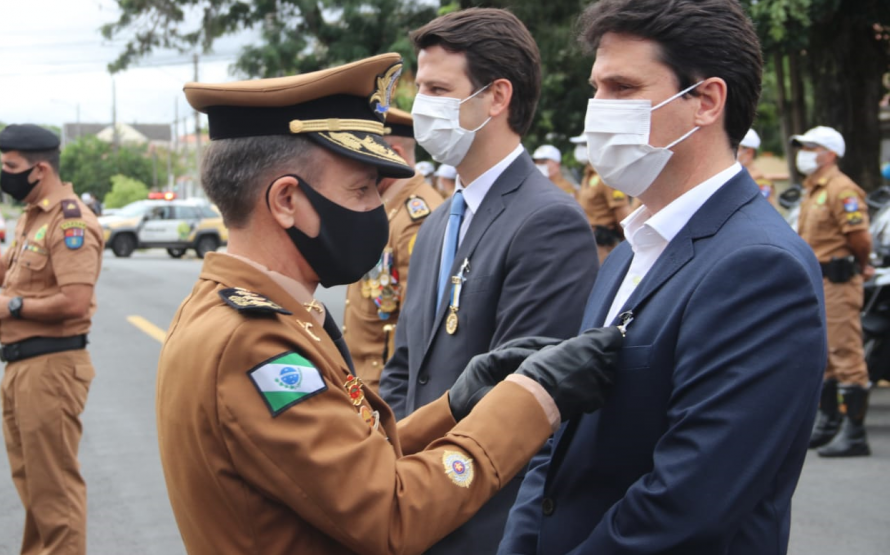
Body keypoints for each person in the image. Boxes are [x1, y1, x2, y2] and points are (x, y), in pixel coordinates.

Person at [156, 52, 622, 555]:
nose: (376, 211)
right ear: (286, 201)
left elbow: (352, 462)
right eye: (360, 191)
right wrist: (532, 398)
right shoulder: (253, 344)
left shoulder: (240, 312)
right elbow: (390, 512)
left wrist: (455, 406)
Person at [499, 1, 827, 554]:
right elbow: (560, 446)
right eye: (596, 88)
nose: (598, 109)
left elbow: (688, 503)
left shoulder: (760, 268)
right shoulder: (632, 251)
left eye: (622, 88)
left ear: (706, 100)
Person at [379, 9, 598, 554]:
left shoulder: (547, 220)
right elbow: (406, 368)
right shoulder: (436, 225)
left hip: (482, 518)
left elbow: (526, 399)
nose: (421, 105)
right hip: (415, 507)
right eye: (419, 87)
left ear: (496, 96)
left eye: (437, 88)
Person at [0, 124, 103, 555]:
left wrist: (13, 308)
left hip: (52, 369)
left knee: (55, 493)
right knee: (33, 488)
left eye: (11, 166)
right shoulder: (33, 217)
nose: (3, 173)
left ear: (39, 168)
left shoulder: (70, 222)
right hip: (22, 368)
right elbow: (5, 274)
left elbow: (76, 300)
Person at [343, 107, 443, 392]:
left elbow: (417, 327)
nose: (355, 165)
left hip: (388, 387)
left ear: (395, 155)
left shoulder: (417, 216)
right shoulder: (389, 207)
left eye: (364, 155)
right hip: (367, 382)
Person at [793, 125, 874, 457]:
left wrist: (861, 262)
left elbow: (860, 238)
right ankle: (829, 424)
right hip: (818, 280)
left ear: (829, 153)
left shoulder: (843, 189)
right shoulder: (813, 189)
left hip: (839, 281)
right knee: (824, 353)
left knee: (845, 353)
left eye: (810, 147)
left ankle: (855, 434)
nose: (804, 153)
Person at [570, 131, 631, 263]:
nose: (580, 149)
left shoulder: (607, 175)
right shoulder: (588, 175)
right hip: (589, 242)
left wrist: (630, 245)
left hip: (604, 245)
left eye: (584, 144)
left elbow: (621, 212)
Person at [738, 128, 778, 208]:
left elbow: (764, 212)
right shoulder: (743, 178)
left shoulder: (759, 182)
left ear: (749, 152)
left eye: (734, 148)